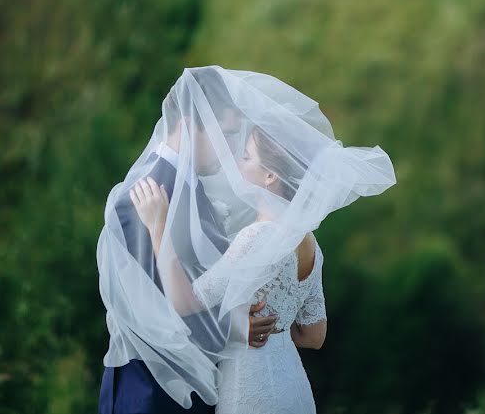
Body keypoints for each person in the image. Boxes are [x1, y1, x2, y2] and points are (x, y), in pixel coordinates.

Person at [96, 67, 396, 413]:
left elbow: (202, 288)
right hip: (151, 394)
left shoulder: (208, 202)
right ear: (191, 124)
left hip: (232, 390)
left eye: (241, 146)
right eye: (225, 135)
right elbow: (146, 309)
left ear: (271, 174)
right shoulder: (141, 197)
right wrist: (233, 328)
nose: (231, 151)